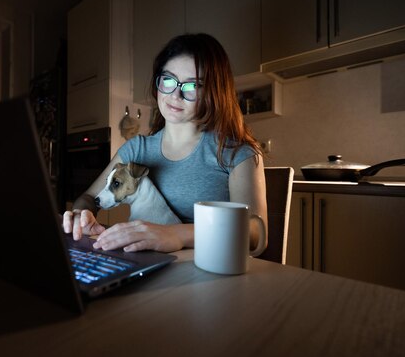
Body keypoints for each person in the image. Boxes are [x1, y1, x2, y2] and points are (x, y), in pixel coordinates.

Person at [63, 33, 267, 255]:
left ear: (212, 92)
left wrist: (175, 234)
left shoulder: (236, 153)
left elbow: (255, 233)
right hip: (143, 267)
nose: (176, 94)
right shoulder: (136, 150)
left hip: (208, 274)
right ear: (158, 83)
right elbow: (89, 198)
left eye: (192, 85)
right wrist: (80, 216)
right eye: (168, 80)